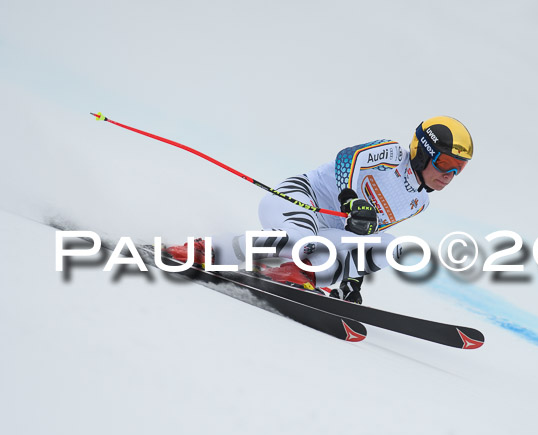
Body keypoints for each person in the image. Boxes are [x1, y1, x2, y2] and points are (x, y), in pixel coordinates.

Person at [168, 116, 473, 304]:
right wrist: (351, 199)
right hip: (300, 199)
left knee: (393, 247)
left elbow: (366, 234)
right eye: (445, 162)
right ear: (423, 151)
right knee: (299, 241)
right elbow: (346, 159)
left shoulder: (419, 202)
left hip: (327, 233)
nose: (450, 175)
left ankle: (293, 273)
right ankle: (204, 250)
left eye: (459, 169)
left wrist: (351, 286)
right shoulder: (393, 153)